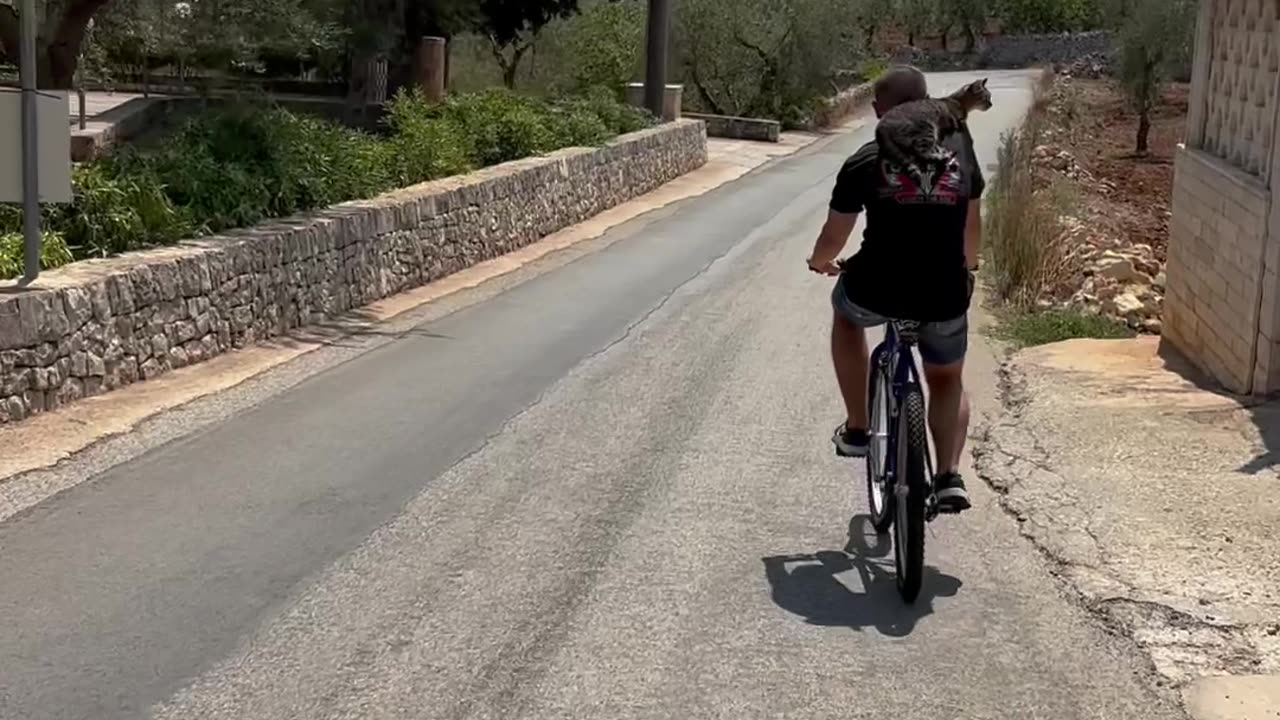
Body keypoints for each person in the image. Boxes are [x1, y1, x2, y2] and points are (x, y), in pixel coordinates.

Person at [805, 66, 984, 513]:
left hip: (877, 285)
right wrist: (970, 266)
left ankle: (859, 429)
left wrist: (820, 262)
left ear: (879, 111)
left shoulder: (866, 160)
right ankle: (947, 477)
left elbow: (834, 235)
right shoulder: (960, 154)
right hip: (943, 288)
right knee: (946, 378)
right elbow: (972, 226)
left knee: (846, 315)